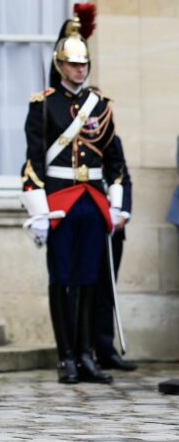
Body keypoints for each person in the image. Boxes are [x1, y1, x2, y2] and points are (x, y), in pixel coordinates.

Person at [20, 3, 123, 385]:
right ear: (60, 65)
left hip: (93, 202)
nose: (79, 70)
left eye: (84, 64)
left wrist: (117, 204)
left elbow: (116, 162)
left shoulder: (103, 106)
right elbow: (32, 161)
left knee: (88, 279)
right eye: (73, 64)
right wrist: (38, 208)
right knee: (62, 279)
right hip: (60, 200)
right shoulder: (43, 104)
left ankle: (86, 354)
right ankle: (66, 356)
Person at [93, 135, 136, 371]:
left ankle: (105, 347)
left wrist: (123, 214)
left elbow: (123, 178)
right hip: (89, 222)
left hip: (113, 227)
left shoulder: (112, 140)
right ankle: (83, 347)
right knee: (84, 288)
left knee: (106, 288)